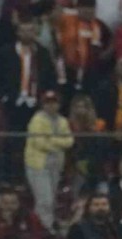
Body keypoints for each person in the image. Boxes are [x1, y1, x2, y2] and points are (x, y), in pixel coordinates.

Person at [24, 90, 74, 231]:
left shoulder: (62, 121)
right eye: (48, 103)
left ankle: (44, 227)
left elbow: (69, 141)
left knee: (51, 200)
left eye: (54, 103)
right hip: (38, 165)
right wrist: (58, 143)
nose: (51, 106)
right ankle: (43, 229)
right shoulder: (37, 120)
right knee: (44, 200)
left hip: (56, 165)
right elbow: (40, 143)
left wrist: (50, 140)